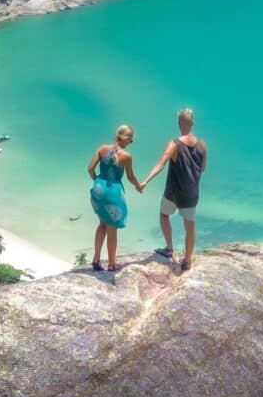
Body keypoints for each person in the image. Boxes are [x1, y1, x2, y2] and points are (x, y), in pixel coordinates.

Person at [148, 108, 208, 273]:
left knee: (164, 215)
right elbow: (202, 168)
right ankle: (187, 261)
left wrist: (145, 181)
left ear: (179, 123)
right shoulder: (202, 145)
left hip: (173, 193)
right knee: (190, 227)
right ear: (192, 123)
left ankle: (169, 248)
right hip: (191, 194)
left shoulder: (174, 144)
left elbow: (161, 163)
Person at [87, 123, 144, 276]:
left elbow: (90, 169)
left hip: (98, 190)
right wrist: (139, 186)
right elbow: (131, 177)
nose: (130, 143)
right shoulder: (126, 156)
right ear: (124, 139)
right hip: (113, 193)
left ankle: (96, 258)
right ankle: (112, 263)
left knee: (102, 224)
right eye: (130, 140)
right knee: (112, 228)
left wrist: (99, 184)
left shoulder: (101, 149)